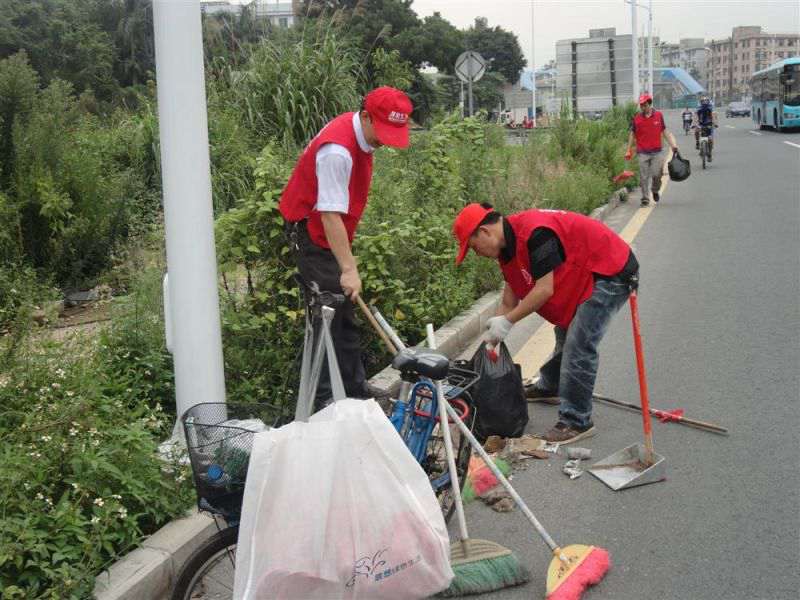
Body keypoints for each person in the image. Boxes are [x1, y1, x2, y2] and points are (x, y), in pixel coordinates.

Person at [452, 203, 639, 444]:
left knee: (579, 345)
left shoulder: (535, 234)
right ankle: (552, 386)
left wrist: (507, 322)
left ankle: (576, 421)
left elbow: (544, 290)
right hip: (583, 273)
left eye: (474, 247)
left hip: (609, 271)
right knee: (565, 332)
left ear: (485, 232)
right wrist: (493, 338)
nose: (477, 254)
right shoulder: (507, 249)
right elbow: (509, 301)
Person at [280, 86, 413, 409]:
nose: (383, 140)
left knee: (345, 307)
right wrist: (349, 268)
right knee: (327, 311)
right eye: (381, 130)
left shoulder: (359, 135)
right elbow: (328, 214)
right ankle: (325, 400)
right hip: (313, 233)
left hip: (331, 232)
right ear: (366, 116)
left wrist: (347, 267)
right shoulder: (337, 150)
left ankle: (354, 388)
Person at [624, 93, 678, 207]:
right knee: (643, 176)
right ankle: (645, 198)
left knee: (657, 174)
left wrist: (673, 145)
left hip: (657, 151)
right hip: (642, 152)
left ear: (649, 104)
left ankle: (655, 189)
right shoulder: (637, 118)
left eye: (644, 105)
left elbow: (665, 132)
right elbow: (632, 134)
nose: (642, 107)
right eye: (641, 105)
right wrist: (628, 150)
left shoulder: (658, 115)